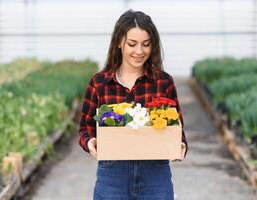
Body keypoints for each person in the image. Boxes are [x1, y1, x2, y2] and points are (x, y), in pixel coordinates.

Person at [79, 9, 188, 200]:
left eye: (146, 44)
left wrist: (180, 145)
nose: (139, 51)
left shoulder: (163, 82)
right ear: (119, 43)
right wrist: (90, 142)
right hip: (113, 175)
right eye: (132, 44)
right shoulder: (99, 83)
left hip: (155, 175)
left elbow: (178, 129)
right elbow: (85, 129)